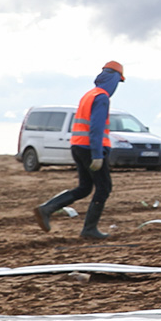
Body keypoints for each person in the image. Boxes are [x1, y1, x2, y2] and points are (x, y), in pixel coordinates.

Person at [33, 61, 126, 240]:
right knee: (103, 188)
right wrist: (98, 154)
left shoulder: (89, 95)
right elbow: (96, 128)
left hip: (78, 145)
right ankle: (89, 229)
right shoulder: (102, 97)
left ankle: (47, 208)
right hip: (91, 148)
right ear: (114, 79)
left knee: (84, 187)